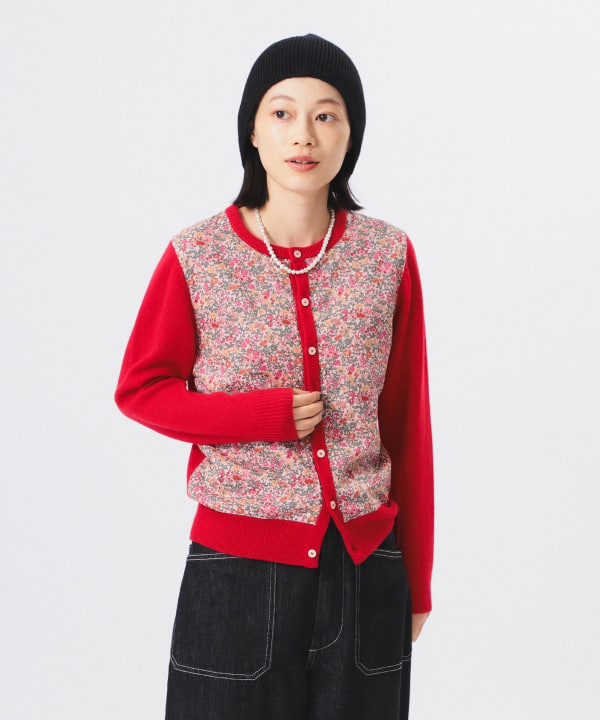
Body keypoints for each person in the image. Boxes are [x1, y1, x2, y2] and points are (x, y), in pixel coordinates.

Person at [115, 33, 434, 720]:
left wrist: (420, 582)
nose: (303, 135)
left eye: (326, 115)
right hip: (235, 573)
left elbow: (408, 425)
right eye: (282, 112)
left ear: (350, 134)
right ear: (253, 132)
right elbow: (140, 387)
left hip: (366, 570)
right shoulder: (198, 253)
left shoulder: (388, 255)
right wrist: (258, 416)